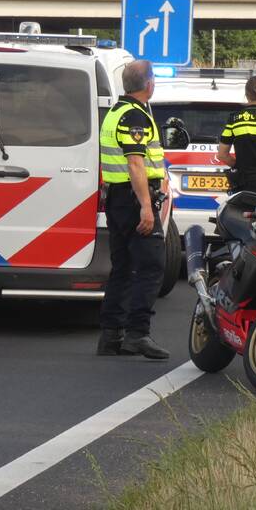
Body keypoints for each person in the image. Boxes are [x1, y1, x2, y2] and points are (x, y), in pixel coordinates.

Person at [96, 60, 171, 360]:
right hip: (134, 199)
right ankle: (138, 334)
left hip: (117, 199)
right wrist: (146, 208)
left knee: (123, 269)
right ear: (149, 84)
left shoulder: (116, 112)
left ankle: (111, 336)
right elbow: (135, 163)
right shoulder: (134, 117)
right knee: (152, 265)